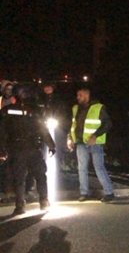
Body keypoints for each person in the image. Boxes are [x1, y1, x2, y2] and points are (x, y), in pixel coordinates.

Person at [0, 85, 56, 215]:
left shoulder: (6, 110)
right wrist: (51, 145)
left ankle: (20, 206)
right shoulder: (34, 110)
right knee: (40, 175)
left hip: (17, 148)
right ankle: (43, 201)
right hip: (32, 148)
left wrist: (2, 149)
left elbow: (2, 132)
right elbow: (42, 129)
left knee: (20, 178)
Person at [66, 87, 115, 202]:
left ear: (87, 95)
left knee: (99, 167)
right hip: (80, 142)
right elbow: (73, 125)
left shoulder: (98, 107)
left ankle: (109, 192)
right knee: (82, 168)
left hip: (95, 143)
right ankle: (84, 193)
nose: (78, 97)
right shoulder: (75, 108)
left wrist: (95, 135)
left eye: (80, 95)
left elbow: (107, 124)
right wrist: (70, 138)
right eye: (77, 95)